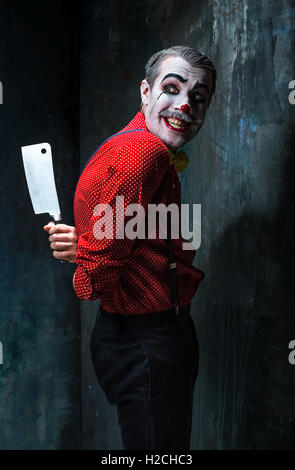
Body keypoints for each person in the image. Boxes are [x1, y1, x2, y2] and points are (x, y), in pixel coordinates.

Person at [43, 45, 217, 449]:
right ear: (145, 91)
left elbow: (122, 228)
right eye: (171, 89)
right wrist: (89, 258)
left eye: (199, 96)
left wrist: (88, 243)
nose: (185, 105)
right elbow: (95, 281)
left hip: (147, 336)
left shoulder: (142, 145)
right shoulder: (143, 152)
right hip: (147, 342)